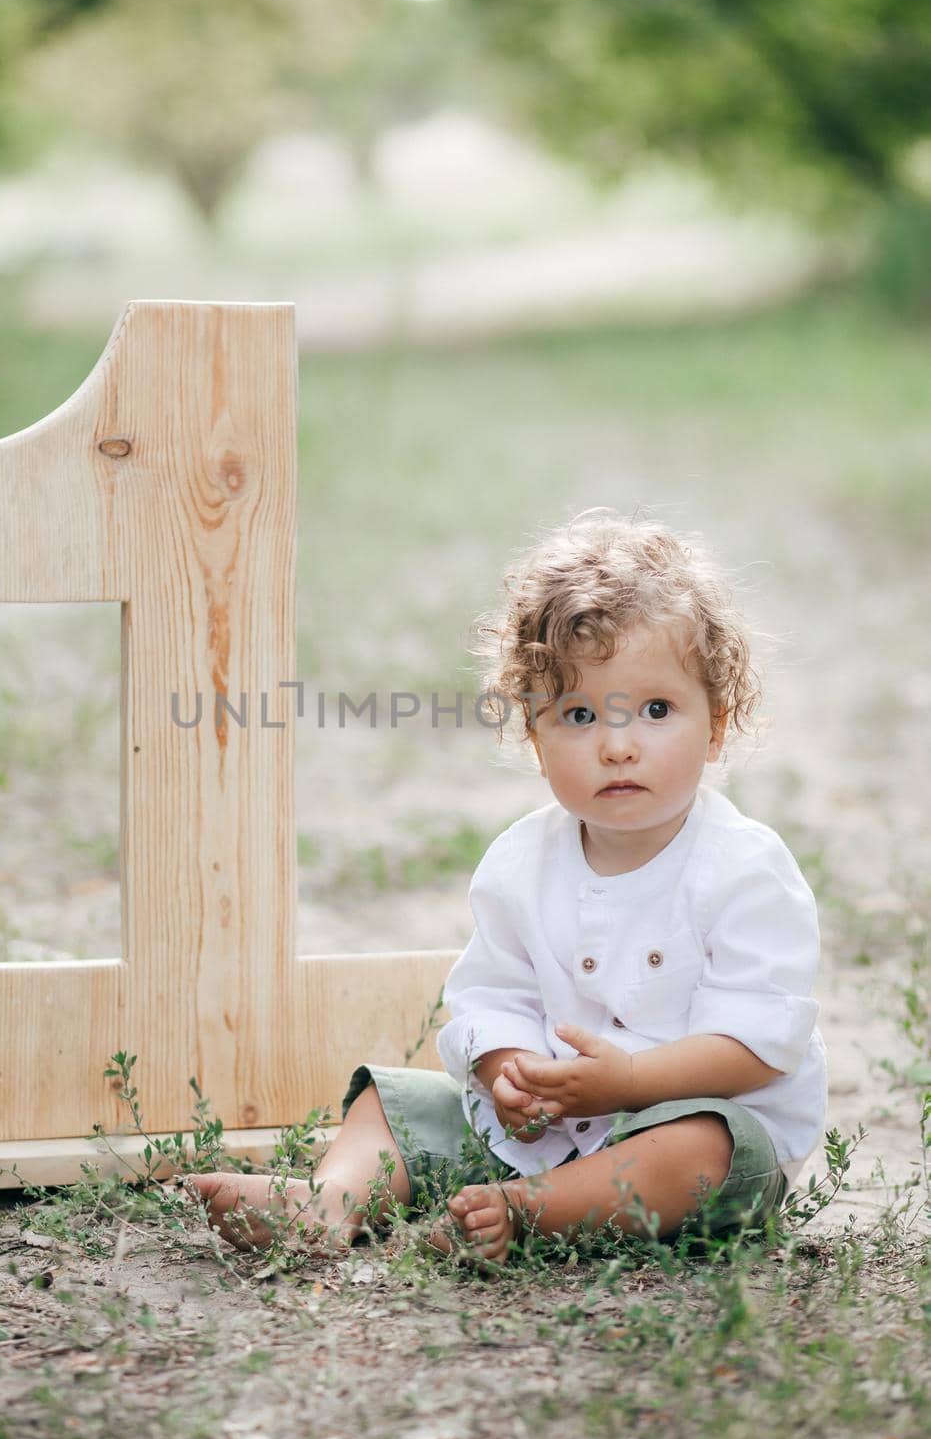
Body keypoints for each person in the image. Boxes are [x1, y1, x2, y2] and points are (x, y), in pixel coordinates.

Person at [187, 507, 828, 1265]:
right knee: (391, 1102)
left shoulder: (743, 868)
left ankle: (533, 1210)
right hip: (548, 1129)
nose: (617, 745)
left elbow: (757, 1043)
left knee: (701, 1149)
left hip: (684, 1129)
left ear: (715, 725)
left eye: (655, 710)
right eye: (579, 714)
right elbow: (492, 995)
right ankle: (332, 1199)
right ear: (534, 735)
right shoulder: (522, 863)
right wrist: (507, 1074)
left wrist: (626, 1082)